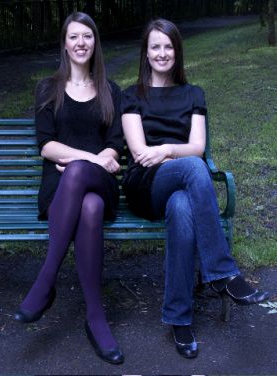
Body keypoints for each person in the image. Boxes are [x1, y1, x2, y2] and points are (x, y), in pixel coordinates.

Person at [120, 18, 269, 359]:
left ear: (178, 51)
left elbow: (198, 145)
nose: (162, 53)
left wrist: (168, 150)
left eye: (168, 46)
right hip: (145, 186)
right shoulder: (132, 95)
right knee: (191, 166)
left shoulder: (193, 94)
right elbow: (142, 153)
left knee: (184, 207)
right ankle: (223, 274)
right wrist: (175, 151)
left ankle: (179, 319)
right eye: (154, 46)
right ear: (146, 52)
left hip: (180, 183)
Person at [13, 12, 124, 364]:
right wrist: (89, 159)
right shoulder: (48, 88)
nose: (81, 43)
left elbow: (115, 145)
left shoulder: (110, 90)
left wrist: (84, 163)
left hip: (99, 182)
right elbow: (46, 146)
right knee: (87, 204)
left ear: (95, 43)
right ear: (64, 43)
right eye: (74, 37)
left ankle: (46, 281)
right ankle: (96, 318)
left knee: (79, 176)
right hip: (60, 189)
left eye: (87, 37)